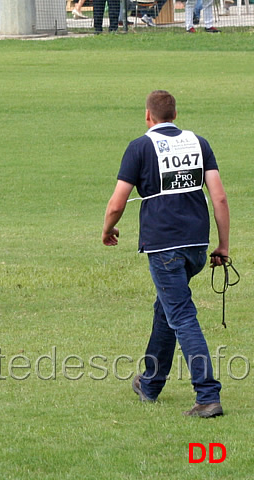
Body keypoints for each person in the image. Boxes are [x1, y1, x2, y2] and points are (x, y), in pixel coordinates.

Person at [102, 90, 229, 418]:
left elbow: (117, 202)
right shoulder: (199, 143)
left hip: (164, 247)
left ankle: (207, 396)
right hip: (197, 246)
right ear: (175, 114)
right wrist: (223, 245)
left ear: (148, 115)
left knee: (182, 315)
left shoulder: (140, 147)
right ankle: (150, 383)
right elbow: (219, 199)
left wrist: (108, 229)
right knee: (167, 309)